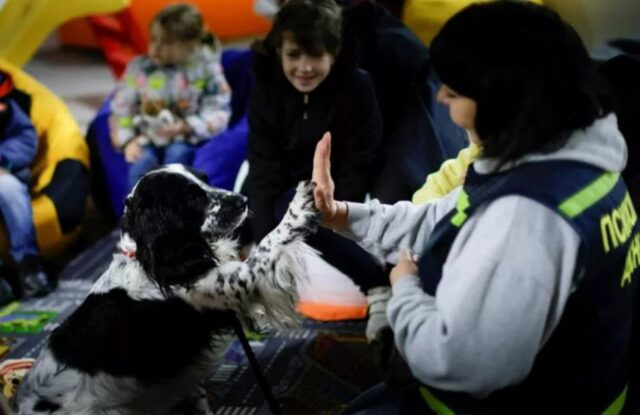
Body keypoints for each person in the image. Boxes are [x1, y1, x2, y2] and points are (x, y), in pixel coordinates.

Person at [312, 2, 638, 413]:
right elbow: (448, 216)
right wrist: (342, 215)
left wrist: (405, 289)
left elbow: (459, 364)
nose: (443, 95)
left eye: (456, 88)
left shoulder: (527, 218)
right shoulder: (563, 158)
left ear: (503, 98)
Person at [246, 0, 389, 339]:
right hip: (283, 184)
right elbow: (263, 163)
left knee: (301, 214)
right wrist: (268, 240)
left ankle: (379, 287)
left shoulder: (357, 86)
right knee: (244, 212)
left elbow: (362, 158)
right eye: (294, 55)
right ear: (279, 51)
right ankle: (255, 286)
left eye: (316, 55)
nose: (304, 67)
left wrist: (334, 210)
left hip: (339, 185)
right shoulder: (266, 86)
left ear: (334, 53)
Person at [111, 3, 231, 191]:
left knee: (177, 160)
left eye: (166, 42)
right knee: (140, 166)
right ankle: (135, 217)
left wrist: (188, 126)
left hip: (184, 138)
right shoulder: (140, 69)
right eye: (153, 39)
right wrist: (127, 141)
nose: (156, 47)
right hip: (146, 137)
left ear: (190, 45)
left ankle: (172, 216)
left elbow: (218, 107)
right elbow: (122, 108)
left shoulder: (205, 69)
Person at [0, 71, 51, 305]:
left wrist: (3, 159)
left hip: (4, 170)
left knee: (10, 190)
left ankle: (28, 266)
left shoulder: (7, 104)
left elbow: (25, 138)